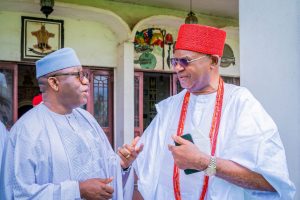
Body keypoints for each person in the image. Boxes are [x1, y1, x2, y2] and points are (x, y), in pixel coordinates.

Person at [132, 24, 295, 199]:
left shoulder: (240, 103)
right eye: (174, 61)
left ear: (214, 61)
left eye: (185, 61)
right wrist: (128, 162)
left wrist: (204, 162)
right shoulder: (171, 107)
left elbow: (270, 183)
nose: (177, 68)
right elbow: (143, 172)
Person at [0, 47, 142, 200]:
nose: (86, 81)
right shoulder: (26, 131)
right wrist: (77, 190)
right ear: (54, 83)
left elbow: (105, 170)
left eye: (85, 75)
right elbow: (18, 193)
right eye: (78, 75)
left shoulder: (87, 120)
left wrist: (123, 164)